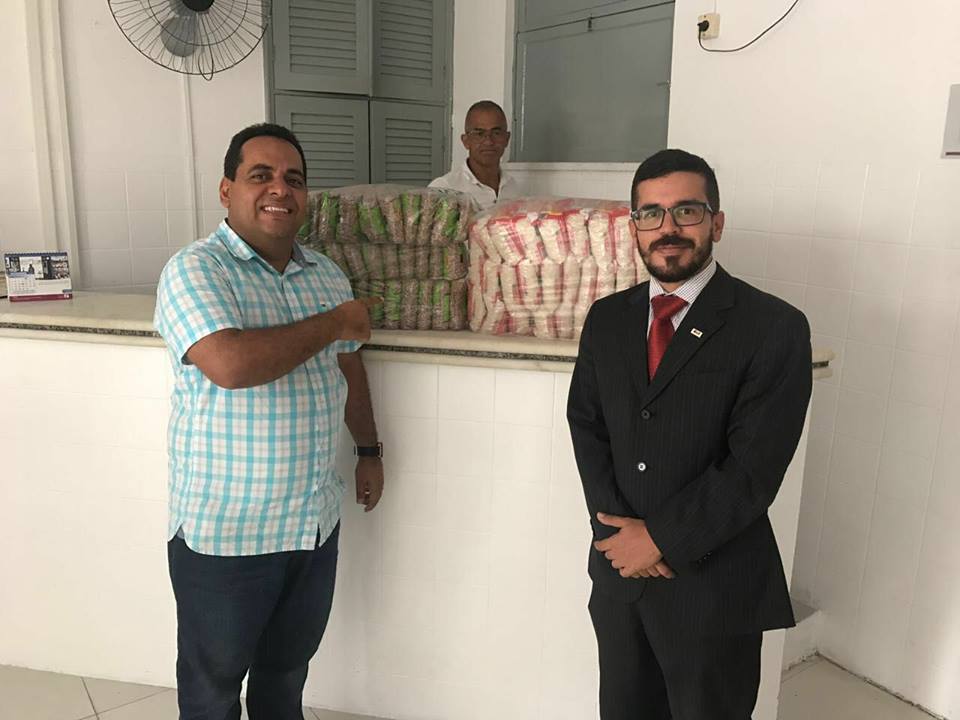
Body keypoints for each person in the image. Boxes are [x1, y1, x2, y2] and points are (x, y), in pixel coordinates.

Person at [567, 149, 812, 719]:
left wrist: (658, 539)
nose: (668, 228)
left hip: (713, 589)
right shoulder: (607, 319)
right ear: (634, 226)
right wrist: (618, 538)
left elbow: (753, 468)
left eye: (687, 211)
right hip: (621, 582)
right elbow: (587, 426)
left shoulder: (773, 326)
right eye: (650, 213)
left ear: (716, 223)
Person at [154, 122, 383, 720]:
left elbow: (350, 369)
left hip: (312, 524)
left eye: (294, 179)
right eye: (261, 175)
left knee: (285, 678)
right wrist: (335, 322)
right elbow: (230, 364)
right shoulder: (195, 269)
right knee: (213, 692)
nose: (280, 189)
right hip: (228, 536)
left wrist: (369, 450)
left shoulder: (326, 275)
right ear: (226, 190)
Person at [429, 100, 521, 210]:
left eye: (496, 133)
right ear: (465, 141)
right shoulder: (444, 189)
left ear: (506, 139)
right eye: (479, 134)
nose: (488, 141)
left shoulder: (512, 186)